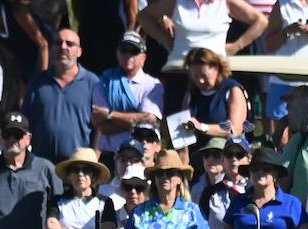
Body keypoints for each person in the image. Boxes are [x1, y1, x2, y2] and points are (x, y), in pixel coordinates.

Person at [137, 0, 267, 110]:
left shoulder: (225, 2)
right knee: (176, 128)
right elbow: (143, 16)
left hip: (214, 75)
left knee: (214, 125)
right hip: (180, 71)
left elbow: (260, 21)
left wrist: (236, 46)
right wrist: (163, 40)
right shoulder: (177, 2)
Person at [22, 27, 100, 167]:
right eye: (58, 43)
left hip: (78, 168)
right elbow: (25, 123)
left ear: (79, 51)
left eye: (69, 44)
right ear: (51, 49)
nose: (63, 47)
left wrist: (93, 159)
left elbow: (101, 127)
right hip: (42, 168)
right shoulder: (37, 83)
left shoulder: (93, 83)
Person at [89, 31, 162, 171]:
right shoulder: (104, 82)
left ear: (143, 57)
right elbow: (102, 126)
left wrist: (111, 115)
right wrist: (138, 119)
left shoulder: (152, 85)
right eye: (124, 50)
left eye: (134, 51)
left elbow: (151, 119)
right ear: (117, 53)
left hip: (140, 157)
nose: (128, 55)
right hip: (110, 155)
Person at [182, 48, 249, 144]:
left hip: (225, 152)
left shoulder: (232, 90)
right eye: (196, 76)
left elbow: (235, 129)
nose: (200, 81)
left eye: (204, 75)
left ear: (216, 69)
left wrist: (202, 127)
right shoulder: (191, 93)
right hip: (197, 152)